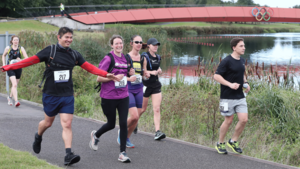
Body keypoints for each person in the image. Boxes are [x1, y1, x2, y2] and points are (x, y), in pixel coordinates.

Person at [0, 27, 119, 166]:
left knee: (67, 124)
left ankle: (68, 155)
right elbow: (29, 61)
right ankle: (38, 136)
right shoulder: (50, 51)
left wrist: (105, 74)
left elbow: (89, 67)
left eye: (71, 37)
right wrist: (7, 67)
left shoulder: (74, 55)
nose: (69, 40)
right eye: (66, 37)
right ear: (59, 37)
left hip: (67, 94)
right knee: (48, 123)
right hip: (51, 95)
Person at [89, 35, 135, 163]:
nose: (119, 45)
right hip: (109, 96)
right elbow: (99, 78)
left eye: (121, 43)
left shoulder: (126, 58)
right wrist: (113, 78)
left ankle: (122, 153)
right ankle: (96, 135)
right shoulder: (108, 59)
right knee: (111, 124)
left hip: (123, 95)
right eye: (116, 44)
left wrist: (130, 74)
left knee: (123, 123)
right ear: (112, 45)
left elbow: (125, 74)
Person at [214, 37, 250, 154]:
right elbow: (216, 76)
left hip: (240, 96)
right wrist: (229, 84)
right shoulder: (226, 61)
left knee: (244, 120)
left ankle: (233, 141)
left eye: (244, 46)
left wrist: (246, 83)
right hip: (226, 97)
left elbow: (241, 73)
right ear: (234, 48)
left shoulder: (241, 60)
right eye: (241, 46)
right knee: (228, 120)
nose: (244, 48)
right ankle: (220, 143)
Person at [117, 35, 147, 148]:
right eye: (136, 42)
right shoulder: (125, 57)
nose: (139, 44)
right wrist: (129, 75)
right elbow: (120, 74)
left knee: (137, 117)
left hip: (139, 89)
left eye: (140, 42)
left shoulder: (143, 58)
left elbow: (144, 75)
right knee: (134, 116)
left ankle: (127, 138)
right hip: (128, 89)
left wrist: (147, 75)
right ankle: (122, 131)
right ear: (131, 43)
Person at [140, 38, 166, 140]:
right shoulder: (145, 56)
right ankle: (133, 122)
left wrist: (159, 71)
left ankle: (157, 132)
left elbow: (158, 69)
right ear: (149, 46)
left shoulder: (158, 57)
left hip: (156, 85)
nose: (156, 46)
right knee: (143, 109)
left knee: (157, 109)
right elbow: (143, 72)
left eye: (157, 45)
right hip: (146, 85)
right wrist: (152, 72)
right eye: (154, 45)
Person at [1, 35, 28, 107]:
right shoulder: (8, 48)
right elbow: (3, 55)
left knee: (15, 84)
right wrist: (4, 64)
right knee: (14, 84)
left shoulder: (21, 48)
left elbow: (27, 58)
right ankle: (16, 101)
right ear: (12, 41)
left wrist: (21, 60)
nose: (16, 41)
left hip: (19, 67)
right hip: (10, 67)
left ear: (18, 41)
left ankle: (9, 97)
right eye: (15, 40)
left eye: (17, 40)